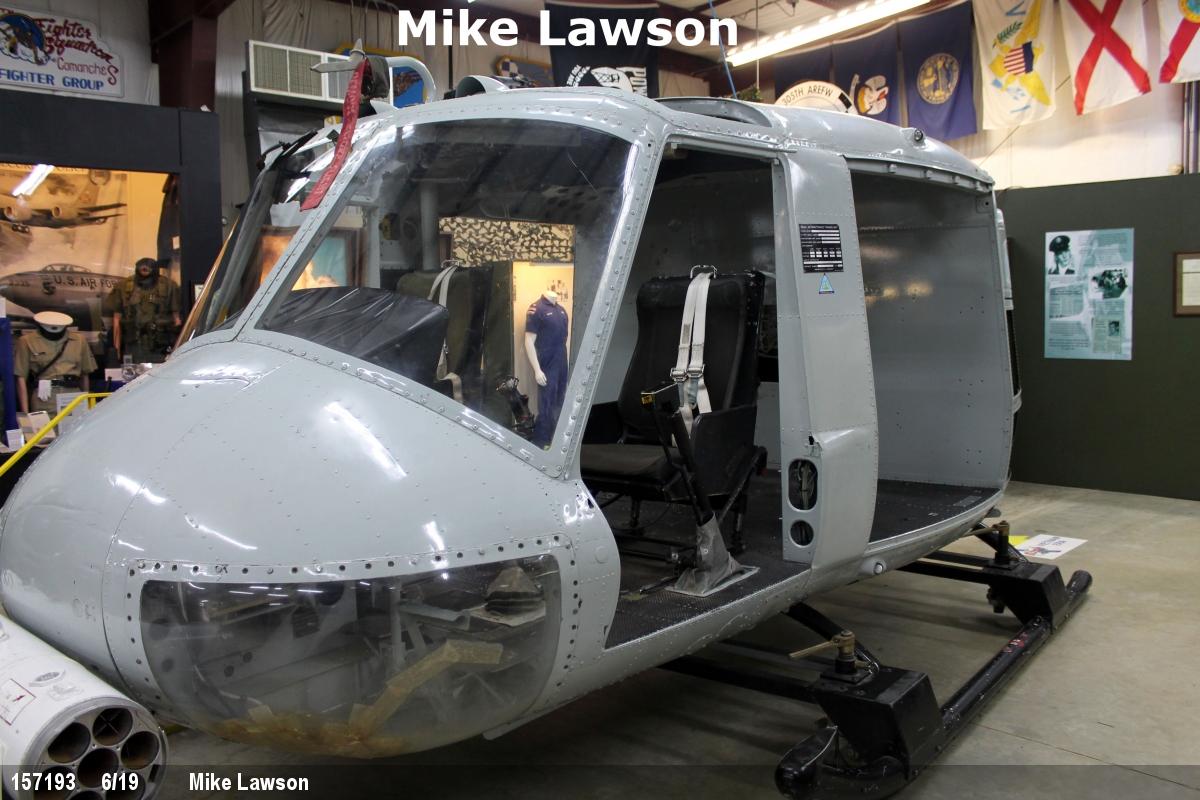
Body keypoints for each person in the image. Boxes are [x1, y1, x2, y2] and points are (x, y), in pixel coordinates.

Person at [13, 311, 96, 414]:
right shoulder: (26, 341)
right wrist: (25, 413)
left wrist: (85, 402)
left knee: (76, 424)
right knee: (45, 425)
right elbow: (20, 378)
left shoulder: (79, 340)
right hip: (44, 398)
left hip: (72, 396)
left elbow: (85, 374)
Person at [110, 257, 181, 363]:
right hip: (133, 346)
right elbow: (116, 320)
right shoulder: (123, 286)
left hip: (161, 347)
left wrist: (177, 352)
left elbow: (177, 321)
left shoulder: (169, 286)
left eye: (147, 268)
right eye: (142, 268)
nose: (144, 270)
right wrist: (117, 352)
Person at [524, 290, 569, 448]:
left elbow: (563, 340)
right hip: (547, 362)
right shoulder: (537, 309)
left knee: (560, 400)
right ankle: (541, 442)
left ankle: (556, 440)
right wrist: (537, 369)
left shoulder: (561, 310)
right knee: (546, 403)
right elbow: (529, 340)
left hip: (561, 361)